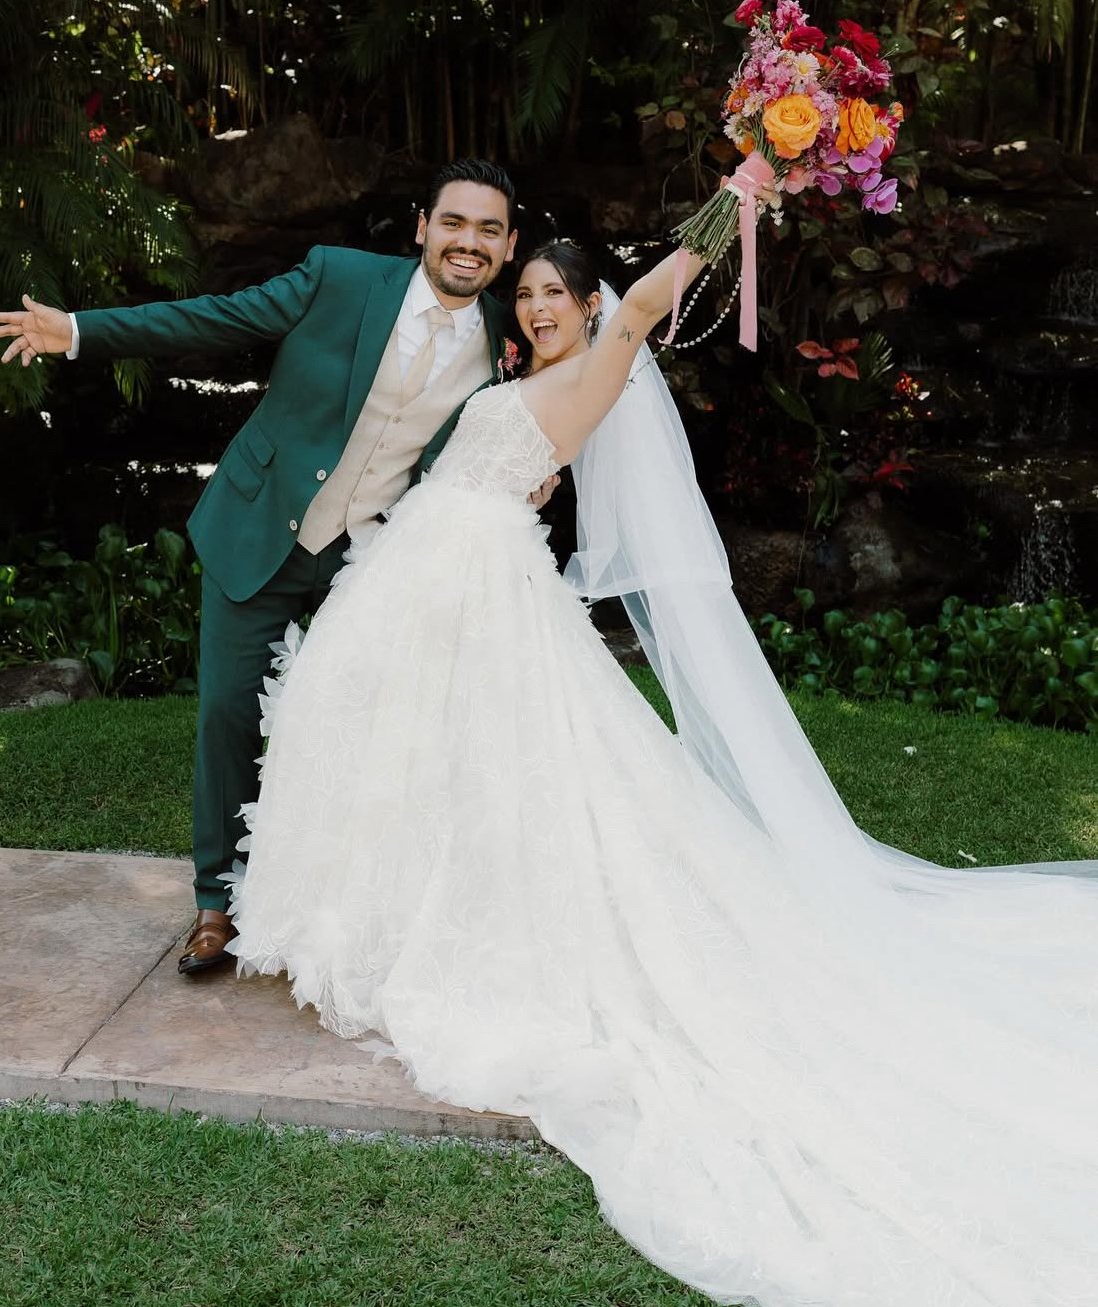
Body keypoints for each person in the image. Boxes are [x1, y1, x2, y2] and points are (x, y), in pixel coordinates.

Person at [225, 229, 1098, 1307]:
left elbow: (638, 313)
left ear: (592, 308)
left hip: (474, 574)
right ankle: (375, 907)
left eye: (560, 293)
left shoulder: (600, 365)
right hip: (431, 568)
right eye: (530, 291)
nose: (540, 305)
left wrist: (738, 196)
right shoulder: (528, 375)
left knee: (505, 767)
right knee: (426, 755)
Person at [0, 159, 559, 974]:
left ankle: (320, 901)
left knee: (353, 728)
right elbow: (213, 320)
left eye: (489, 230)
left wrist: (542, 462)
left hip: (375, 558)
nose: (470, 242)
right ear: (423, 227)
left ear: (508, 246)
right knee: (227, 713)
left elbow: (555, 396)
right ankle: (217, 902)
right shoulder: (338, 276)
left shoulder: (508, 333)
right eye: (455, 223)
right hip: (262, 526)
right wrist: (77, 331)